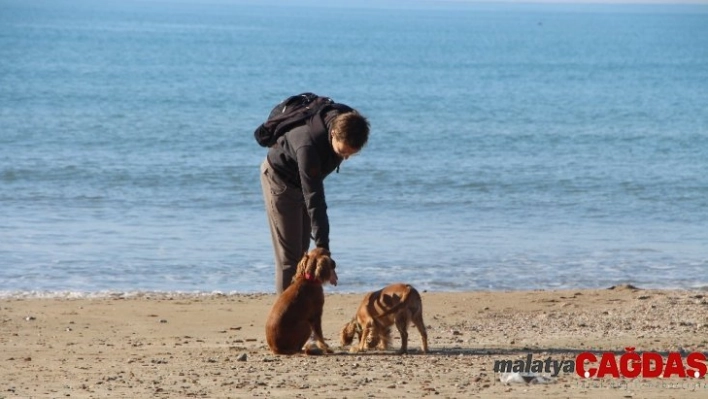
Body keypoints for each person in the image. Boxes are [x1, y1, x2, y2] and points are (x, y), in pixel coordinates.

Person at [260, 104, 370, 295]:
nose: (344, 158)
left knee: (304, 254)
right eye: (342, 152)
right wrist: (326, 258)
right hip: (280, 182)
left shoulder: (349, 121)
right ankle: (286, 319)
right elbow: (316, 204)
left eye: (350, 155)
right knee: (291, 259)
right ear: (333, 133)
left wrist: (324, 257)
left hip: (304, 183)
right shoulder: (308, 146)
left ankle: (301, 309)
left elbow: (314, 199)